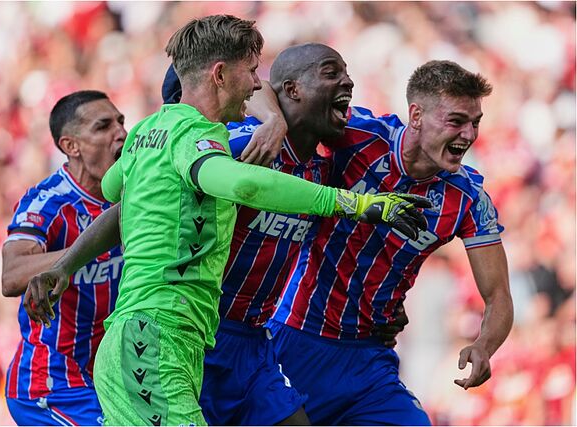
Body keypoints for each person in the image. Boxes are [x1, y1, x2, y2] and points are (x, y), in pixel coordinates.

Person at [24, 15, 430, 426]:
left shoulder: (148, 131)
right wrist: (357, 203)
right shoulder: (199, 137)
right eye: (252, 72)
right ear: (220, 74)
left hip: (166, 338)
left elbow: (114, 190)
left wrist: (65, 266)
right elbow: (244, 186)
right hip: (155, 337)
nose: (258, 86)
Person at [266, 60, 515, 425]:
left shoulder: (468, 199)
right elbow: (269, 93)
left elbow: (499, 296)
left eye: (475, 122)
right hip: (295, 336)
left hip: (369, 358)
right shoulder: (357, 136)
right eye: (456, 121)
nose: (468, 134)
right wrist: (273, 122)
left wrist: (483, 346)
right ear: (416, 115)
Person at [1, 90, 127, 425]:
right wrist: (93, 246)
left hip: (110, 375)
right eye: (103, 127)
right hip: (51, 381)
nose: (121, 133)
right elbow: (12, 275)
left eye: (120, 121)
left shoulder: (134, 192)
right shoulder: (50, 203)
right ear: (71, 146)